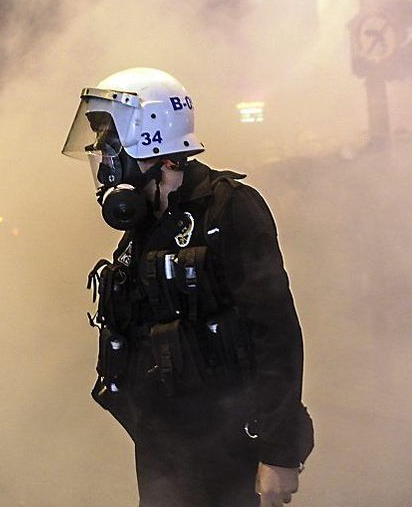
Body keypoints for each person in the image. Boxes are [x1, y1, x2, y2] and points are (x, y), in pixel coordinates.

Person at [62, 67, 314, 507]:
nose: (100, 155)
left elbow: (276, 334)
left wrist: (279, 452)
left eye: (108, 139)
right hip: (165, 446)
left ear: (150, 139)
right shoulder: (145, 222)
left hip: (227, 444)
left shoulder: (229, 210)